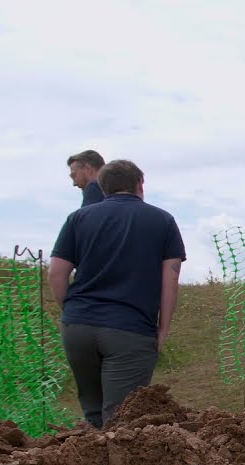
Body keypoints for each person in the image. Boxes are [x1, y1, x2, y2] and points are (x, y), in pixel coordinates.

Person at [49, 160, 184, 428]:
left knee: (93, 413)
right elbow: (170, 278)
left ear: (102, 187)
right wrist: (162, 329)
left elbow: (56, 273)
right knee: (122, 420)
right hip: (130, 330)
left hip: (78, 327)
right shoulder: (162, 220)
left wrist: (72, 314)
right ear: (140, 184)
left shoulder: (78, 218)